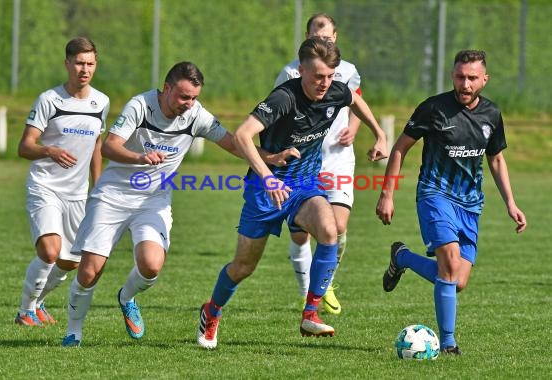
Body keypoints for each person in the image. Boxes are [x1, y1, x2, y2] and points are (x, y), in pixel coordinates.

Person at [61, 61, 291, 347]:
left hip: (154, 200)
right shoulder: (140, 106)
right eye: (184, 97)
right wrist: (140, 158)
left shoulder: (196, 114)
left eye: (194, 97)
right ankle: (74, 332)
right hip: (112, 196)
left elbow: (232, 143)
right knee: (90, 270)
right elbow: (109, 146)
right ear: (167, 88)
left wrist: (268, 158)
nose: (189, 103)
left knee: (151, 265)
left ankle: (127, 297)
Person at [197, 37, 387, 350]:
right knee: (244, 266)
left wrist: (379, 133)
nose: (325, 83)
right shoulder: (284, 97)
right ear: (301, 71)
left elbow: (353, 98)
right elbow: (243, 135)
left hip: (304, 185)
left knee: (329, 230)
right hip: (265, 189)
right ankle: (212, 310)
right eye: (317, 77)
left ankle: (310, 313)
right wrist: (269, 178)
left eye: (329, 76)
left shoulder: (335, 89)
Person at [376, 50, 527, 355]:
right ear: (452, 76)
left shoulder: (492, 115)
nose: (466, 84)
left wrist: (511, 203)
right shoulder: (433, 109)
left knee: (456, 281)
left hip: (470, 204)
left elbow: (496, 159)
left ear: (484, 79)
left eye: (472, 78)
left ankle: (402, 258)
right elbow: (400, 149)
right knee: (448, 261)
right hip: (435, 194)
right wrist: (387, 194)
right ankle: (448, 344)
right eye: (460, 76)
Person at [14, 37, 109, 327]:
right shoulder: (49, 100)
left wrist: (99, 187)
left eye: (90, 63)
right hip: (45, 186)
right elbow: (24, 147)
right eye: (79, 62)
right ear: (67, 63)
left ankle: (39, 303)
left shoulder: (101, 102)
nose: (85, 69)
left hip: (78, 194)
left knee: (70, 262)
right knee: (50, 251)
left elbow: (96, 144)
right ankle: (24, 311)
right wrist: (49, 150)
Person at [274, 13, 364, 314]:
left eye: (326, 37)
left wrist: (355, 127)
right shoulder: (289, 73)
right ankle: (306, 293)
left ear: (335, 37)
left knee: (337, 226)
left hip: (338, 157)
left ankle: (323, 286)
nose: (321, 41)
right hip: (303, 161)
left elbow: (356, 103)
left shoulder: (348, 71)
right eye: (315, 37)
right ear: (306, 38)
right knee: (302, 233)